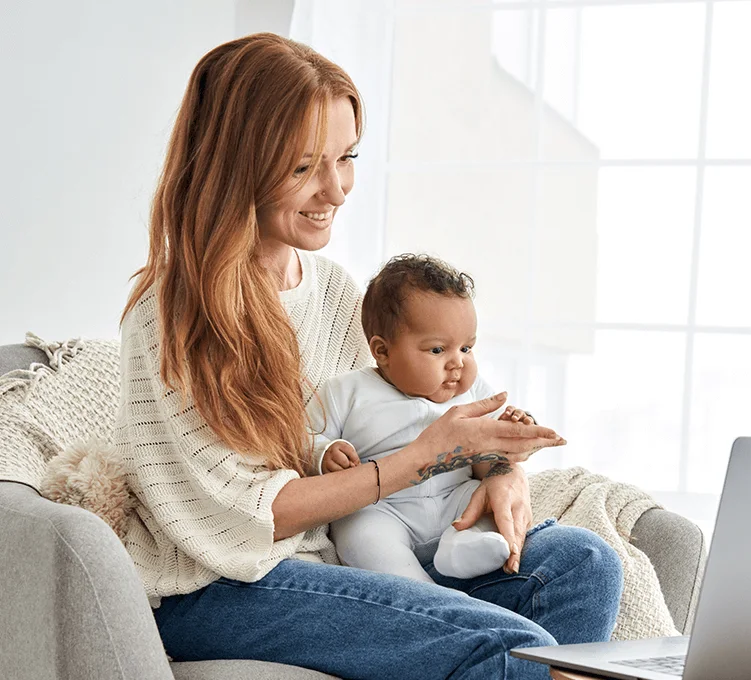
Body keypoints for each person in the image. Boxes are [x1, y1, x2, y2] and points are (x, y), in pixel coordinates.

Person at [114, 32, 623, 680]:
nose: (337, 189)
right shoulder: (170, 313)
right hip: (222, 586)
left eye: (346, 157)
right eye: (303, 168)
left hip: (346, 553)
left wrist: (497, 470)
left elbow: (400, 416)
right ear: (235, 166)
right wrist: (423, 459)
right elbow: (243, 518)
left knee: (585, 566)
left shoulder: (331, 291)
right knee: (507, 646)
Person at [312, 253, 550, 583]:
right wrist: (325, 452)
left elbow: (496, 444)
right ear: (383, 352)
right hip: (384, 508)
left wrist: (514, 426)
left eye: (466, 348)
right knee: (359, 533)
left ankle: (464, 547)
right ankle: (414, 587)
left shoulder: (474, 389)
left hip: (455, 498)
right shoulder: (346, 391)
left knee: (488, 505)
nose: (458, 363)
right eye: (438, 350)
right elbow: (302, 437)